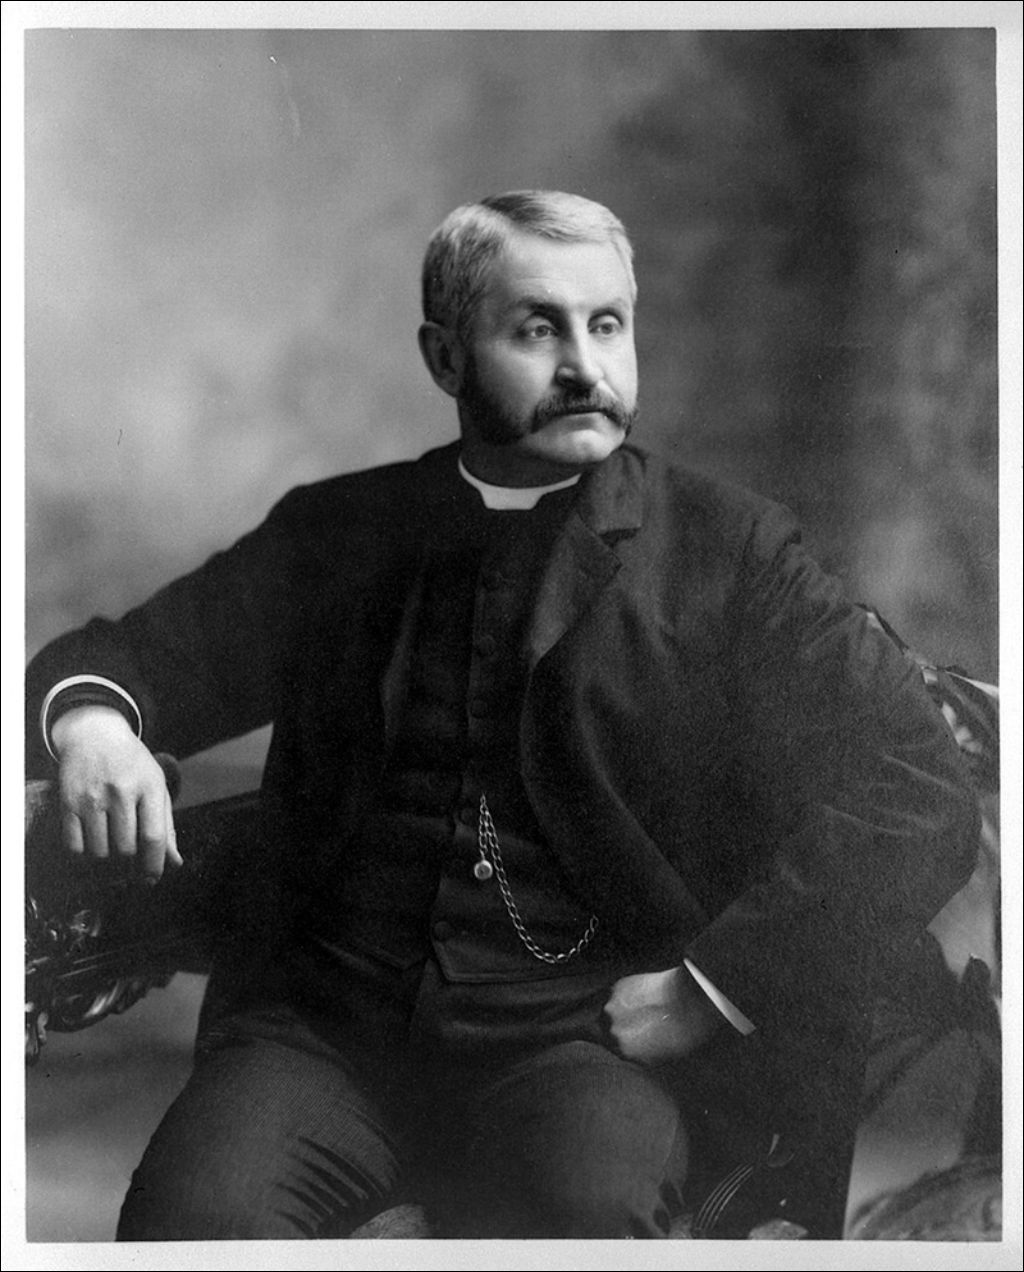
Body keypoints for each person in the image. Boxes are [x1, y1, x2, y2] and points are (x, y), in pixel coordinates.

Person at [25, 190, 979, 1240]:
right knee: (192, 1222)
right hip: (325, 1038)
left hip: (582, 1042)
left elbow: (920, 792)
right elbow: (125, 659)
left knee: (586, 1213)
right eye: (536, 330)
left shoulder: (729, 550)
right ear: (444, 358)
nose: (583, 367)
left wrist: (709, 987)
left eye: (606, 325)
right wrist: (94, 726)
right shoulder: (338, 534)